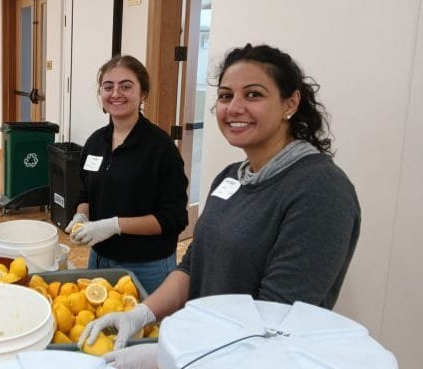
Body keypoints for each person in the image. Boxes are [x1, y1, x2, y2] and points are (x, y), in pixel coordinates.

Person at [79, 44, 361, 368]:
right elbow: (193, 263)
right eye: (226, 96)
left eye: (253, 94)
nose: (234, 107)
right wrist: (142, 313)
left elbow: (274, 319)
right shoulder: (231, 177)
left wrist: (167, 358)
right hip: (203, 348)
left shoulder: (320, 190)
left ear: (290, 103)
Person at [64, 55, 188, 294]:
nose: (116, 93)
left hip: (147, 266)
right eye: (108, 87)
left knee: (145, 320)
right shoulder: (95, 142)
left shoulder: (161, 148)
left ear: (143, 93)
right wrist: (82, 216)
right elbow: (85, 193)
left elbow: (174, 218)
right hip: (100, 258)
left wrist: (115, 225)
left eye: (126, 86)